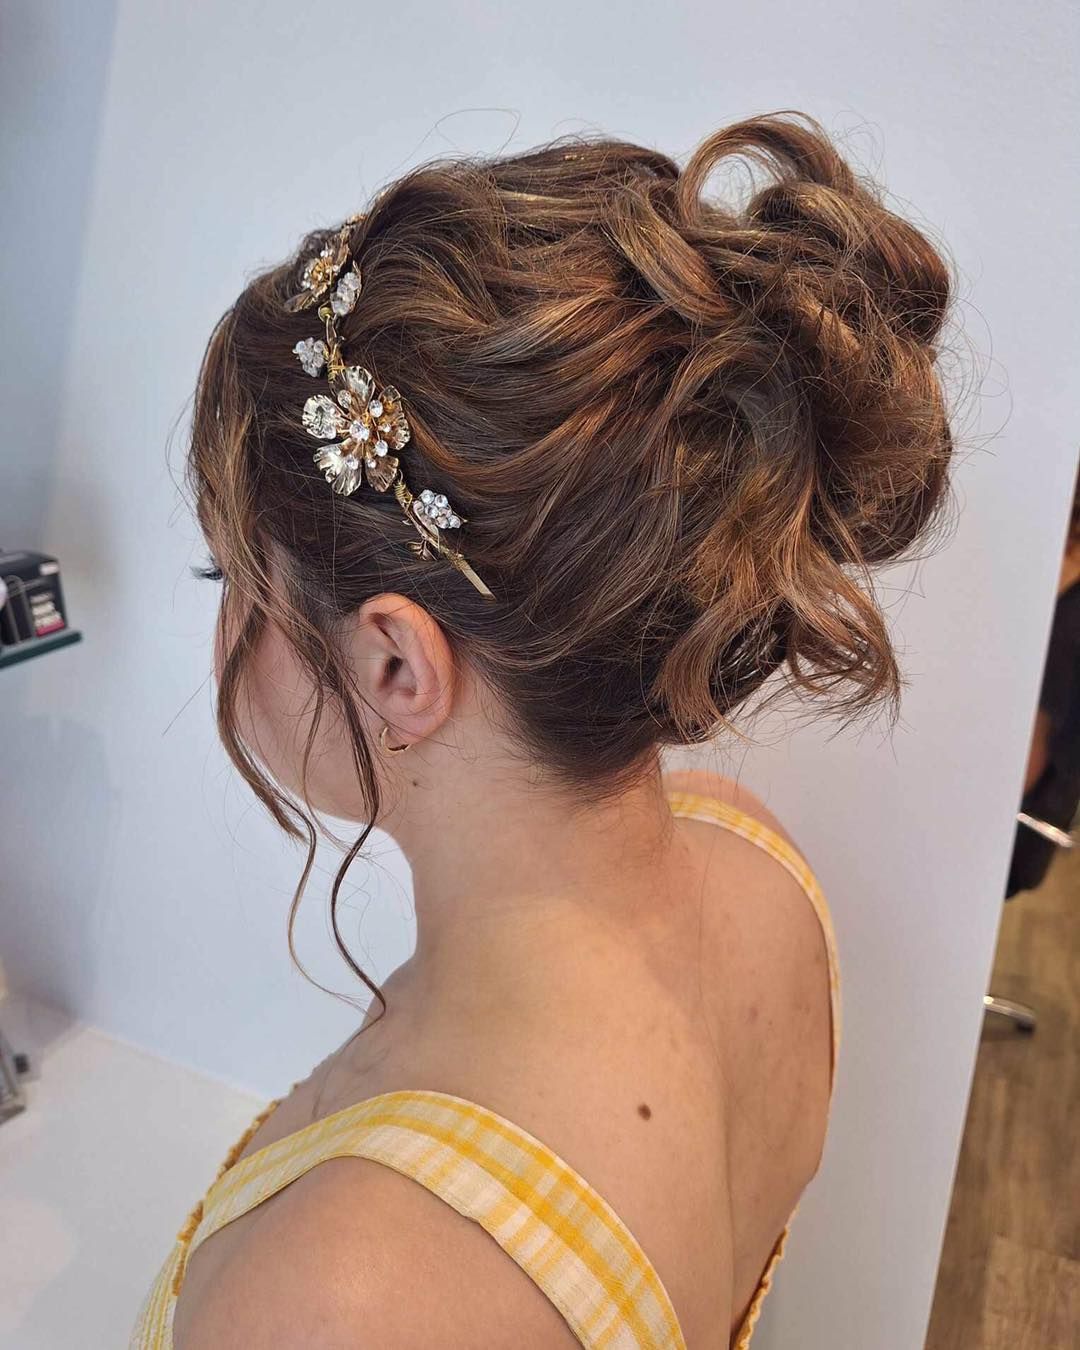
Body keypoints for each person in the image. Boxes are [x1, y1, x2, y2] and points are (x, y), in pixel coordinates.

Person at [132, 111, 954, 1348]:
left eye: (233, 585)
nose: (225, 638)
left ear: (400, 662)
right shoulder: (759, 871)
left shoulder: (341, 1297)